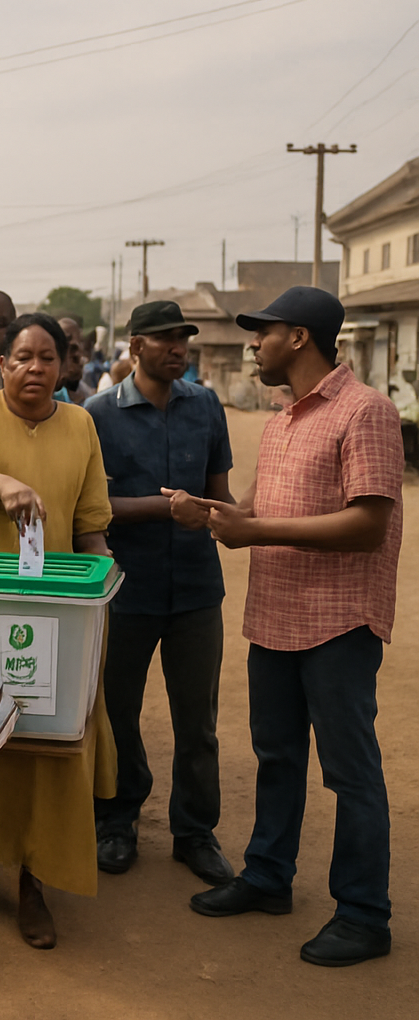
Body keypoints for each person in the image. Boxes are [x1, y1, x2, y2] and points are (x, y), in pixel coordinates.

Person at [184, 287, 403, 968]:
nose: (253, 343)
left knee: (350, 772)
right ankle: (268, 876)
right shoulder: (282, 419)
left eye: (263, 332)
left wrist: (254, 531)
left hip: (337, 623)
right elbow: (255, 509)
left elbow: (369, 523)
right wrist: (212, 513)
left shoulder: (366, 412)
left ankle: (364, 914)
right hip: (275, 619)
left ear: (300, 337)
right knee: (277, 757)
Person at [0, 312, 116, 950]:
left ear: (66, 366)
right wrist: (2, 481)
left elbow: (91, 525)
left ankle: (33, 880)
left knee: (42, 744)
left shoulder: (81, 425)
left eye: (48, 358)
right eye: (22, 357)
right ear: (2, 364)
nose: (35, 368)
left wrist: (102, 596)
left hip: (53, 617)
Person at [85, 301, 235, 886]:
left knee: (197, 719)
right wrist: (167, 508)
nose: (179, 349)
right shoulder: (97, 415)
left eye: (184, 340)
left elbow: (219, 492)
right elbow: (92, 507)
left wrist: (226, 515)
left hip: (197, 589)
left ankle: (195, 832)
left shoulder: (206, 406)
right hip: (125, 588)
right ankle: (118, 820)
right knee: (118, 712)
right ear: (135, 346)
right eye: (166, 339)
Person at [56, 318, 96, 404]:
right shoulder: (45, 398)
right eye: (72, 348)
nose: (78, 356)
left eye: (81, 345)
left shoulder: (88, 396)